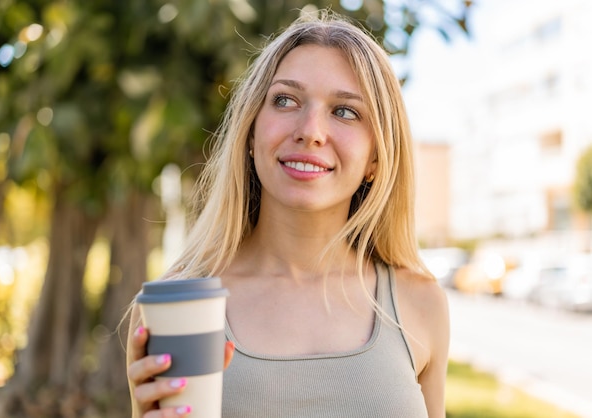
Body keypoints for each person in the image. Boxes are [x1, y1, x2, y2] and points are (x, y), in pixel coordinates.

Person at [126, 10, 449, 418]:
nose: (310, 129)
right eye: (285, 100)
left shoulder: (420, 303)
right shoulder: (178, 308)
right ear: (250, 131)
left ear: (375, 158)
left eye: (346, 111)